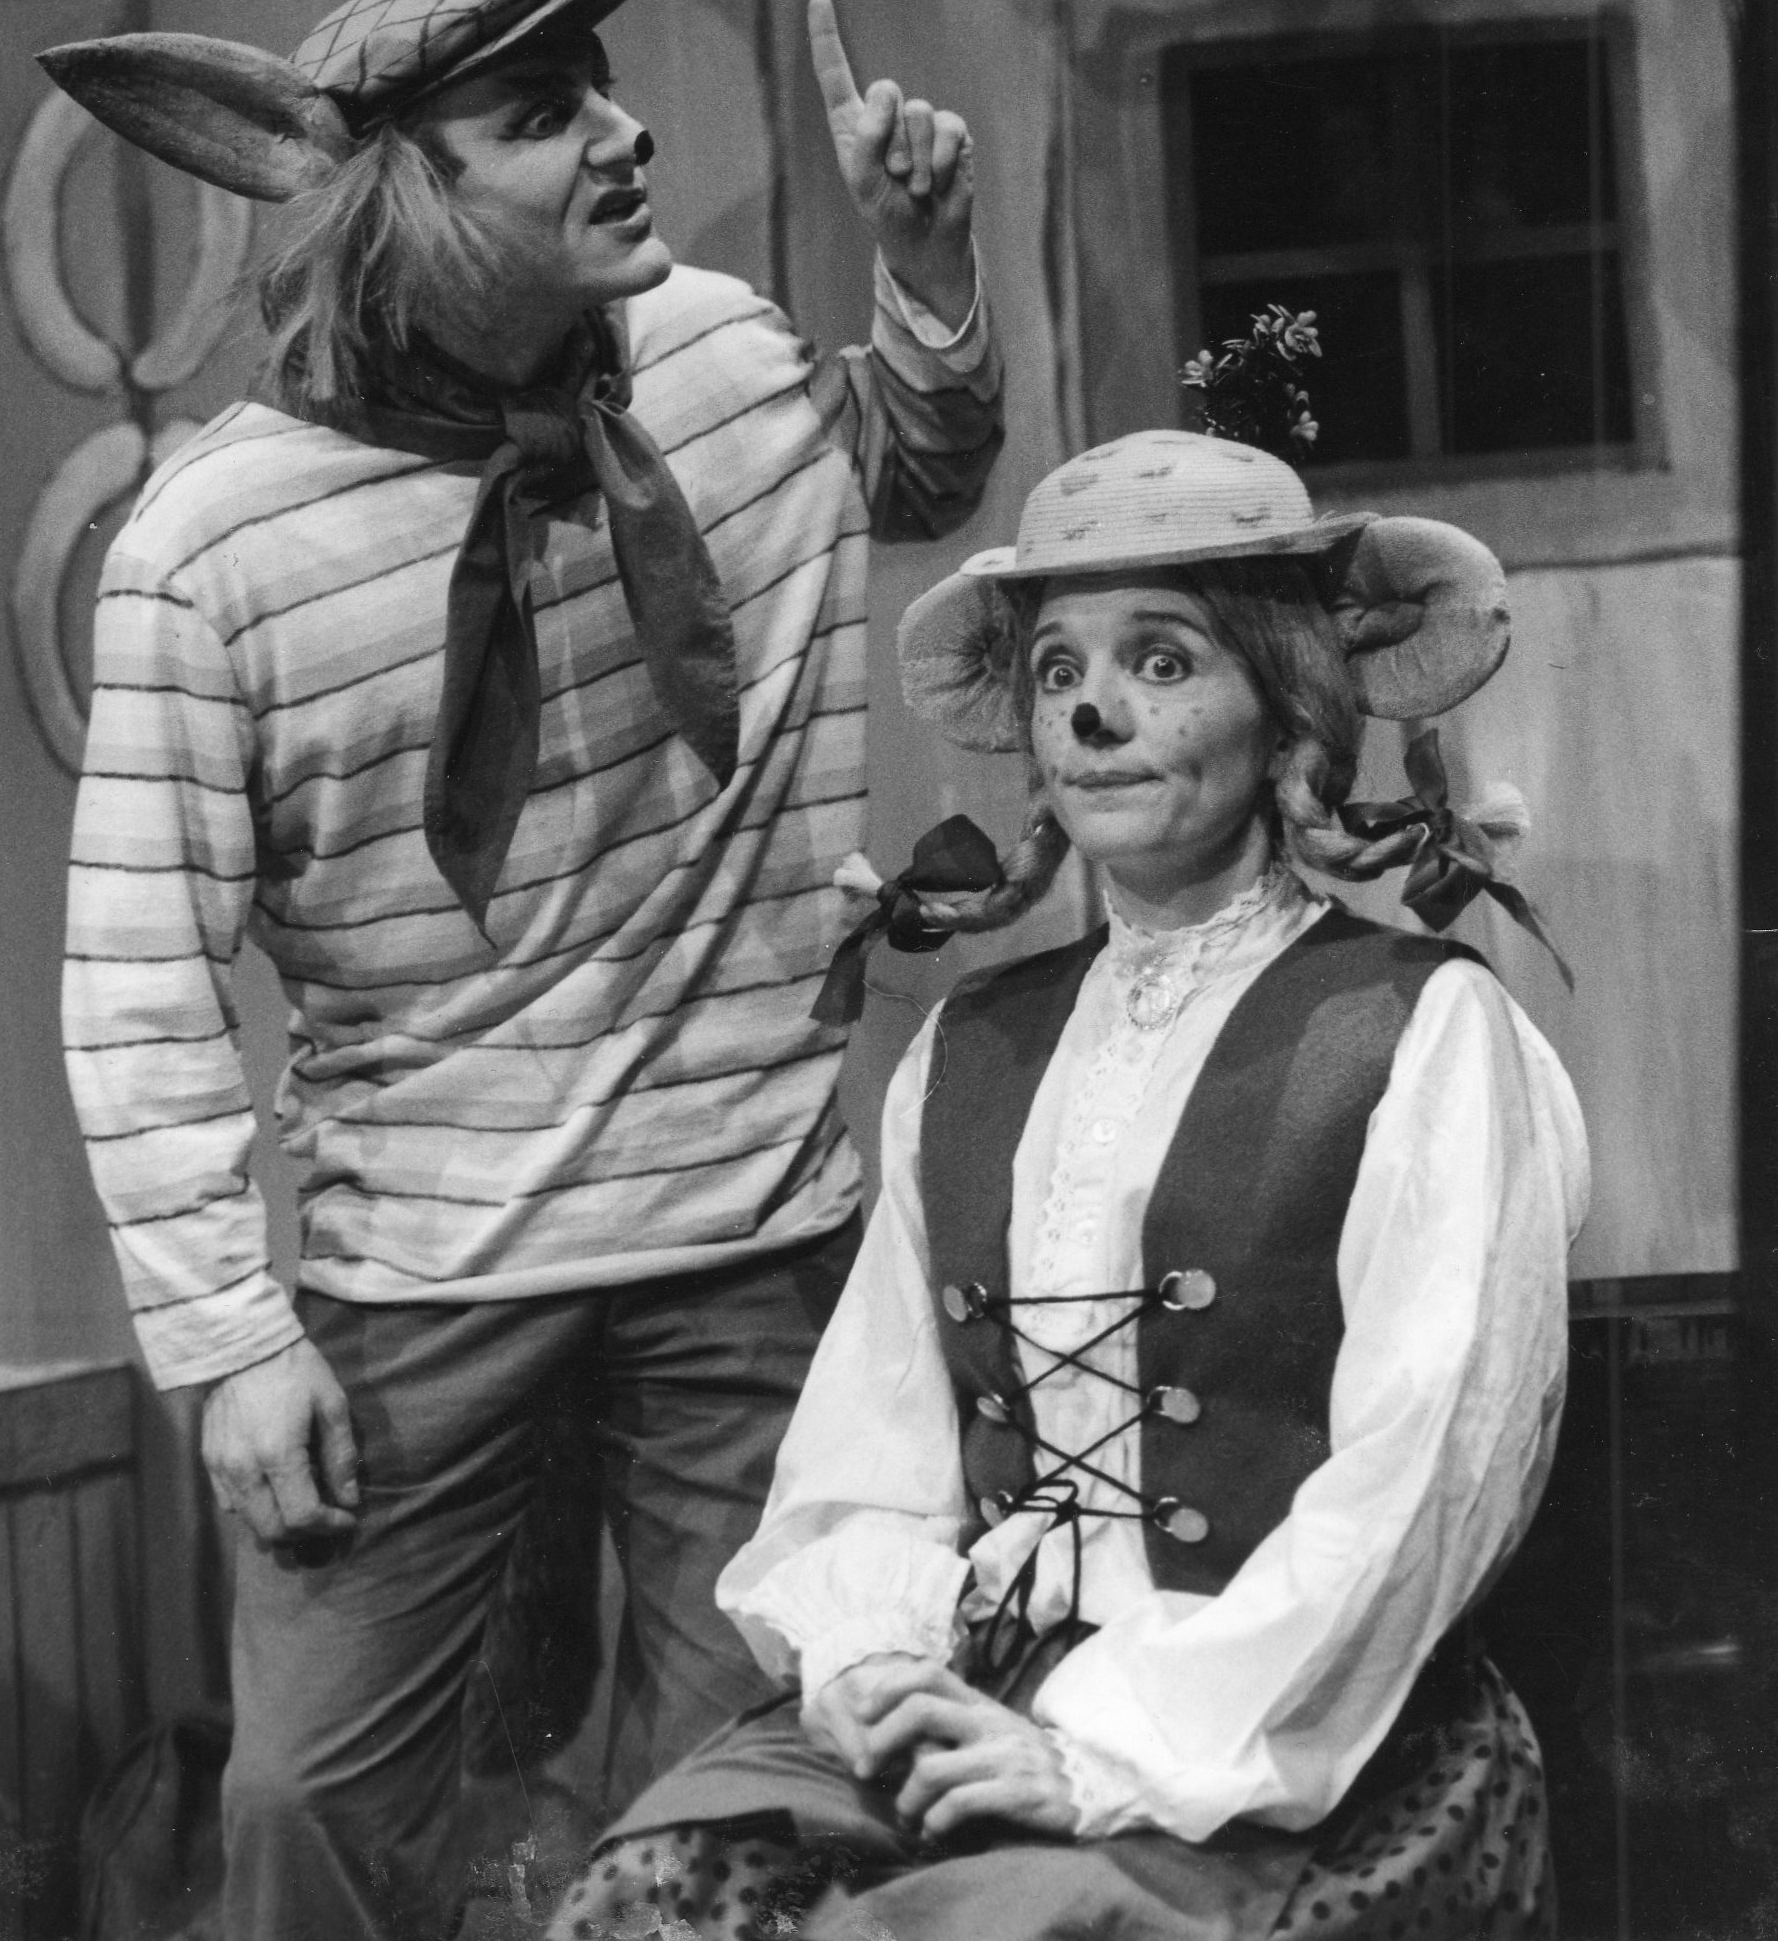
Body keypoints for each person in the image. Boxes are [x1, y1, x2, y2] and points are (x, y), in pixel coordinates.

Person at [45, 0, 1005, 1941]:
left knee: (737, 1805)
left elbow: (909, 477)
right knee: (307, 1808)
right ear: (403, 202)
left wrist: (925, 272)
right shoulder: (213, 546)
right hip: (424, 1265)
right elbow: (140, 977)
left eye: (607, 86)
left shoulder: (719, 356)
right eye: (547, 113)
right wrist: (227, 1339)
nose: (627, 134)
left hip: (750, 1230)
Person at [555, 409, 1590, 1941]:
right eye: (1059, 671)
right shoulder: (969, 1045)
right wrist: (872, 1656)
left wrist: (1100, 1748)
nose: (1094, 711)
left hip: (1286, 1719)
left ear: (1285, 711)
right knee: (645, 1895)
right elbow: (875, 1442)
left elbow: (1428, 1476)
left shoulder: (1420, 1029)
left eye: (1160, 661)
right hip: (987, 1682)